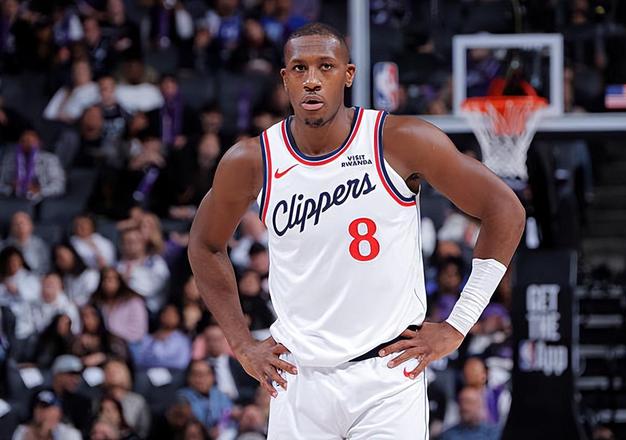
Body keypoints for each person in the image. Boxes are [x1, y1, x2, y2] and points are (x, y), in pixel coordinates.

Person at [188, 23, 525, 438]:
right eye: (300, 68)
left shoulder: (398, 140)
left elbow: (505, 210)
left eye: (325, 67)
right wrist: (241, 344)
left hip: (387, 375)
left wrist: (458, 325)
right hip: (298, 379)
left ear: (348, 75)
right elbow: (204, 245)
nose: (312, 80)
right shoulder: (252, 159)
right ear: (285, 79)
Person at [0, 129, 66, 200]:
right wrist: (11, 188)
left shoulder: (50, 159)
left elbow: (59, 187)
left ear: (39, 143)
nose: (28, 144)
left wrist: (39, 190)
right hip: (13, 199)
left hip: (42, 200)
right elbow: (1, 184)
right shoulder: (9, 159)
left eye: (31, 141)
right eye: (23, 141)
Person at [12, 389, 82, 440]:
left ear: (58, 412)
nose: (40, 411)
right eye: (38, 407)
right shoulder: (23, 431)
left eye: (46, 407)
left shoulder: (69, 433)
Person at [2, 211, 50, 275]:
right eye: (16, 224)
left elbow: (45, 267)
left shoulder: (40, 245)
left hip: (36, 278)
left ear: (31, 226)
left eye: (23, 223)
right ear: (11, 228)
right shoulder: (4, 246)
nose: (20, 227)